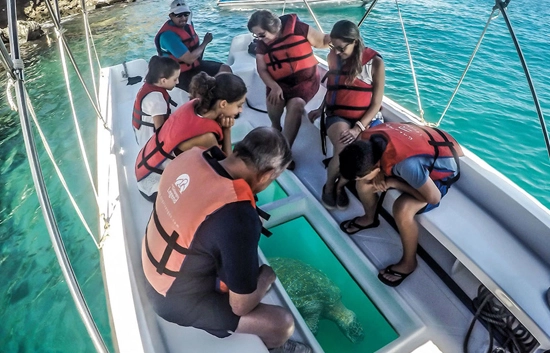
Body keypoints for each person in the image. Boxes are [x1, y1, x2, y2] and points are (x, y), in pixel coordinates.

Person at [142, 126, 311, 353]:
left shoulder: (191, 156)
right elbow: (240, 306)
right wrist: (266, 277)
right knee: (282, 324)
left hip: (150, 264)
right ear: (267, 174)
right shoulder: (238, 216)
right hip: (172, 302)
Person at [338, 122, 463, 287]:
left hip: (438, 177)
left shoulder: (406, 165)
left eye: (361, 175)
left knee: (402, 209)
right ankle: (370, 218)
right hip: (415, 156)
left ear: (375, 167)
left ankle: (409, 262)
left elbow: (434, 198)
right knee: (364, 184)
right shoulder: (366, 138)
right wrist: (382, 174)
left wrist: (393, 183)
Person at [309, 20, 385, 210]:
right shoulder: (333, 57)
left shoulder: (375, 63)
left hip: (365, 118)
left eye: (341, 48)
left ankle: (340, 186)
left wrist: (358, 127)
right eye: (333, 47)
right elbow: (334, 88)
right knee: (344, 147)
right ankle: (328, 187)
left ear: (355, 43)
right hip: (338, 115)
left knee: (362, 154)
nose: (336, 52)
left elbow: (376, 104)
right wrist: (321, 108)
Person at [135, 72, 245, 202]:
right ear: (223, 104)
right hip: (153, 187)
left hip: (143, 169)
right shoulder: (206, 137)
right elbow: (227, 171)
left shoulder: (195, 105)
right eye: (239, 105)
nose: (241, 110)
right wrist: (227, 131)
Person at [247, 10, 330, 169]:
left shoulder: (299, 29)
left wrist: (342, 39)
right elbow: (262, 69)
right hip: (278, 81)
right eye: (256, 36)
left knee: (296, 104)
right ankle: (275, 126)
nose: (259, 39)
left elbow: (323, 42)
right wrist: (274, 86)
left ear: (273, 28)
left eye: (261, 35)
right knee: (274, 98)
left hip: (306, 80)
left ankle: (284, 151)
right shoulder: (262, 44)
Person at [154, 0, 232, 92]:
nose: (183, 18)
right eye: (179, 15)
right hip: (178, 74)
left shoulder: (187, 26)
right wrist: (205, 42)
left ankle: (215, 93)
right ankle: (209, 96)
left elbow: (195, 51)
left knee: (225, 69)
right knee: (203, 87)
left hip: (195, 66)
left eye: (186, 14)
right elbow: (189, 59)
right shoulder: (168, 36)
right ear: (171, 16)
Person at [132, 56, 181, 147]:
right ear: (163, 80)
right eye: (175, 79)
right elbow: (161, 133)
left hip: (140, 135)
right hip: (149, 144)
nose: (177, 82)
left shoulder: (149, 85)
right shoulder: (156, 99)